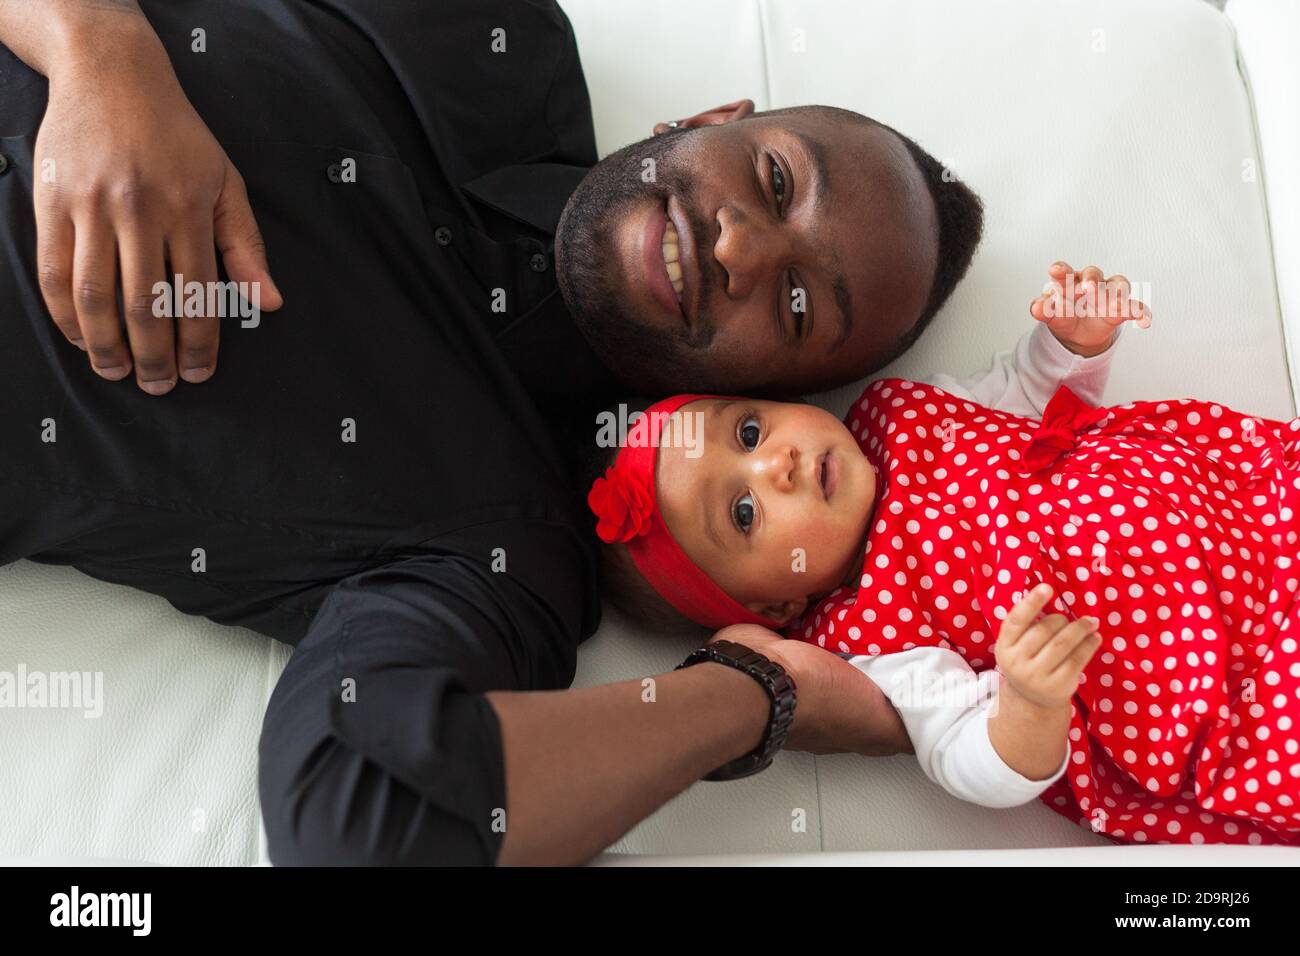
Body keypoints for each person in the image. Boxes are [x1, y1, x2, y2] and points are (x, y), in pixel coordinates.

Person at [0, 0, 980, 864]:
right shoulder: (497, 34)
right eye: (772, 178)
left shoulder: (509, 552)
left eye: (800, 304)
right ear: (706, 120)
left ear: (773, 384)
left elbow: (358, 822)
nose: (741, 247)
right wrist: (97, 42)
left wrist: (756, 693)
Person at [583, 263, 1300, 845]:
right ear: (776, 603)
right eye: (743, 514)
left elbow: (1025, 394)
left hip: (1248, 508)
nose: (777, 465)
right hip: (1207, 676)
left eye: (746, 433)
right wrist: (1027, 701)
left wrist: (1072, 344)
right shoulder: (869, 637)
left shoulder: (902, 412)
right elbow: (968, 756)